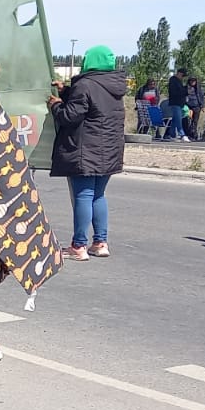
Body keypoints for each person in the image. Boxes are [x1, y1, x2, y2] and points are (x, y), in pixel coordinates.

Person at [48, 44, 127, 261]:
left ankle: (78, 246)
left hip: (85, 149)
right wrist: (66, 92)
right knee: (98, 195)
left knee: (83, 195)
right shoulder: (115, 86)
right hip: (110, 150)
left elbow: (70, 116)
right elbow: (92, 107)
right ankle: (100, 242)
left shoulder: (85, 84)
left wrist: (55, 105)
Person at [166, 68, 191, 140]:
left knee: (175, 119)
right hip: (175, 102)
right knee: (178, 119)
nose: (183, 77)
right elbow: (175, 92)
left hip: (180, 103)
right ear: (179, 73)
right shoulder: (173, 80)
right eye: (183, 75)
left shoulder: (179, 81)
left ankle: (172, 134)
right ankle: (182, 134)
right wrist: (184, 91)